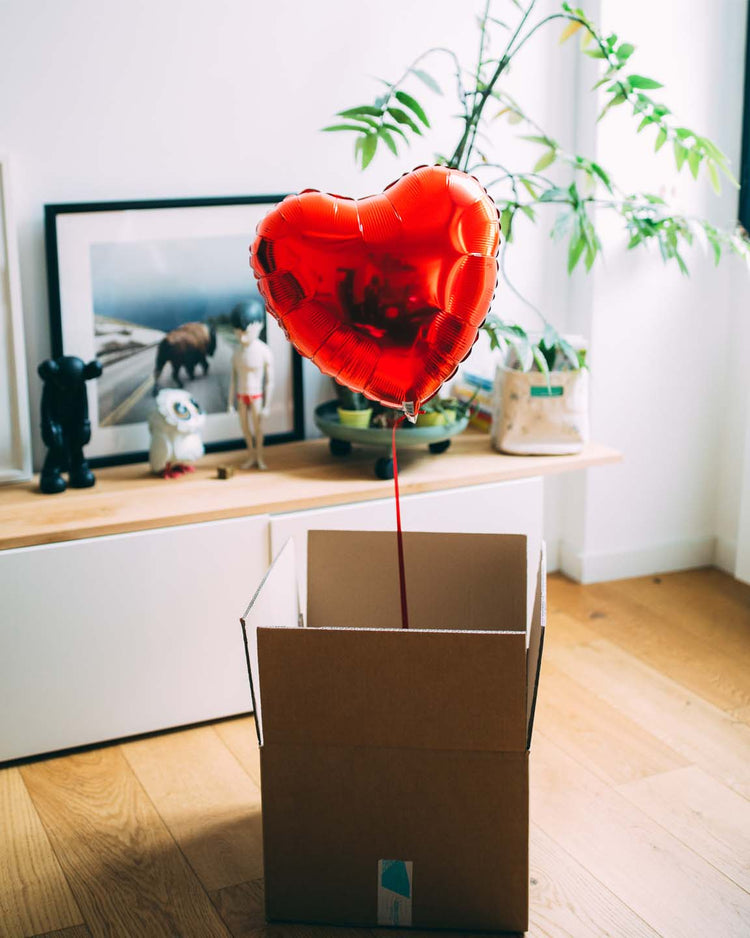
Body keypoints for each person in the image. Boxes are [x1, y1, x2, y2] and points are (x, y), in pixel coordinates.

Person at [228, 300, 274, 470]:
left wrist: (268, 405)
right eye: (237, 332)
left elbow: (270, 381)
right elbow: (233, 379)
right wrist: (229, 402)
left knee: (258, 429)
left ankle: (260, 457)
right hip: (241, 396)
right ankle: (251, 456)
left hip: (256, 396)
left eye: (245, 332)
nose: (241, 337)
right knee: (245, 429)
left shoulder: (264, 352)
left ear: (259, 326)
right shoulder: (236, 353)